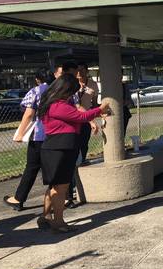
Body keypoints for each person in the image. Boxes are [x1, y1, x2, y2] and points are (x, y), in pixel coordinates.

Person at [37, 74, 109, 233]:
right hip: (60, 148)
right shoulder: (57, 105)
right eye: (71, 91)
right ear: (64, 90)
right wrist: (100, 110)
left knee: (55, 186)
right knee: (61, 188)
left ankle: (45, 217)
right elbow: (81, 116)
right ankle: (58, 222)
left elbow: (77, 115)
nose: (72, 95)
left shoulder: (53, 103)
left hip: (58, 148)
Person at [3, 70, 50, 211]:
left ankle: (18, 198)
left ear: (37, 79)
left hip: (38, 134)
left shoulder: (36, 91)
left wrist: (20, 133)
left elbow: (29, 113)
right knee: (52, 167)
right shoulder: (58, 90)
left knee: (31, 167)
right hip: (55, 133)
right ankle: (64, 197)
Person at [65, 62, 100, 206]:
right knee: (71, 153)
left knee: (83, 147)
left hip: (85, 119)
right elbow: (75, 105)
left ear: (86, 71)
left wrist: (94, 117)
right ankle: (70, 187)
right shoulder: (70, 86)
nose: (79, 73)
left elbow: (93, 103)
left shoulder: (92, 85)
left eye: (81, 70)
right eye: (76, 70)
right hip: (73, 121)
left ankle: (79, 173)